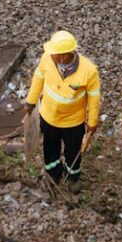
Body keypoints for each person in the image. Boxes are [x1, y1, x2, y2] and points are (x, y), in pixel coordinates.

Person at [24, 30, 100, 193]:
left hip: (73, 121)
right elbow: (38, 78)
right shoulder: (47, 59)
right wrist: (30, 101)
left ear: (65, 55)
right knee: (50, 147)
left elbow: (94, 97)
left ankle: (73, 177)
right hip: (49, 116)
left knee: (73, 150)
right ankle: (53, 172)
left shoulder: (89, 70)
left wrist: (92, 122)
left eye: (55, 53)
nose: (51, 55)